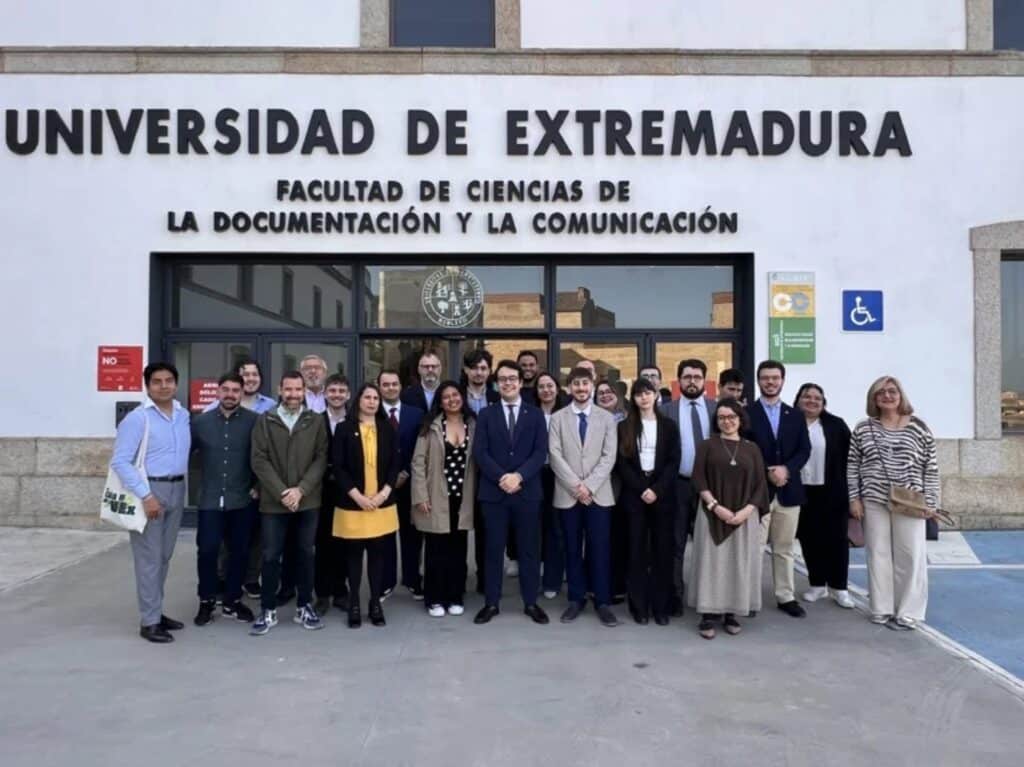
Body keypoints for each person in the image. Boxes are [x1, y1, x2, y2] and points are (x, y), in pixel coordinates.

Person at [848, 376, 939, 630]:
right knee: (877, 554)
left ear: (900, 395)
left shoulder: (918, 427)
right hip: (874, 499)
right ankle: (881, 607)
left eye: (892, 391)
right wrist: (854, 498)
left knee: (911, 555)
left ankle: (909, 611)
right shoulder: (863, 428)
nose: (887, 396)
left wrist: (932, 501)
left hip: (910, 501)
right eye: (881, 393)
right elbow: (853, 466)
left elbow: (931, 467)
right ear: (873, 398)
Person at [110, 362, 191, 643]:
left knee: (164, 556)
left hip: (177, 489)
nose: (164, 386)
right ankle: (149, 622)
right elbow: (120, 461)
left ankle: (156, 610)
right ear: (147, 386)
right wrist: (146, 496)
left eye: (169, 380)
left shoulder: (183, 415)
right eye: (157, 381)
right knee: (149, 560)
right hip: (150, 491)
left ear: (176, 384)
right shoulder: (138, 419)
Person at [249, 371, 328, 635]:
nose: (293, 395)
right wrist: (283, 492)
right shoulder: (265, 420)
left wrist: (301, 490)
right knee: (271, 555)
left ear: (304, 391)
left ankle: (304, 606)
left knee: (305, 553)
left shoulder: (315, 420)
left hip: (307, 501)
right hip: (274, 502)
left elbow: (321, 458)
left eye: (298, 389)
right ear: (279, 390)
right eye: (288, 389)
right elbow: (259, 459)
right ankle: (267, 609)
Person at [472, 360, 550, 625]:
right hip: (494, 494)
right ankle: (491, 603)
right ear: (496, 384)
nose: (508, 383)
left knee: (529, 550)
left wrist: (519, 476)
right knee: (493, 550)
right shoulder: (486, 415)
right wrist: (502, 477)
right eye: (503, 379)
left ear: (520, 382)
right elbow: (480, 452)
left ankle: (531, 603)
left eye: (512, 378)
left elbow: (540, 452)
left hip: (527, 493)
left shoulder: (535, 415)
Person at [691, 399, 770, 639]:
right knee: (711, 564)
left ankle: (732, 613)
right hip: (711, 513)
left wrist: (746, 512)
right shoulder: (707, 445)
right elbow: (698, 478)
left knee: (738, 564)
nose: (727, 421)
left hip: (744, 516)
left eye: (731, 417)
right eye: (722, 417)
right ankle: (707, 614)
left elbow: (760, 484)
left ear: (740, 419)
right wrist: (715, 506)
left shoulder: (752, 448)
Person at [548, 367, 620, 626]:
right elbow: (554, 455)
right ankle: (576, 599)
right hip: (568, 495)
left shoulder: (606, 418)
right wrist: (576, 487)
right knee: (571, 548)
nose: (581, 388)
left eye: (585, 383)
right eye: (576, 384)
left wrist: (588, 487)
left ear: (592, 386)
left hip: (598, 495)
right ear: (569, 388)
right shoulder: (558, 418)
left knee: (600, 548)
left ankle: (602, 601)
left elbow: (609, 456)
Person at [745, 360, 812, 619]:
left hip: (789, 491)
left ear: (782, 380)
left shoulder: (795, 415)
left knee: (784, 548)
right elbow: (744, 449)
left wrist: (786, 469)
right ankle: (749, 597)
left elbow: (804, 450)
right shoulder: (747, 413)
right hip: (757, 492)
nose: (770, 382)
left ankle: (785, 596)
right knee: (754, 548)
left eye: (775, 378)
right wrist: (767, 471)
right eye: (765, 378)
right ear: (758, 380)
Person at [190, 373, 258, 626]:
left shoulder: (254, 421)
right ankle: (207, 601)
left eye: (235, 390)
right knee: (207, 551)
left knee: (239, 552)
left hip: (241, 498)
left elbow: (262, 456)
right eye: (226, 390)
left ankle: (232, 601)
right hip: (210, 499)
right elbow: (186, 456)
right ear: (218, 392)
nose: (230, 395)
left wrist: (258, 486)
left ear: (242, 393)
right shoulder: (200, 422)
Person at [332, 383, 402, 628]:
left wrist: (384, 494)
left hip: (381, 503)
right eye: (367, 397)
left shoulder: (387, 428)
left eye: (376, 398)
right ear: (358, 401)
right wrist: (358, 497)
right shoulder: (344, 428)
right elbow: (338, 467)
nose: (372, 401)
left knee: (377, 555)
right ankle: (354, 602)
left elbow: (395, 464)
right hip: (353, 504)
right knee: (353, 557)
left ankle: (375, 603)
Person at [615, 377, 680, 626]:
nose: (644, 397)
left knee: (663, 551)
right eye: (639, 394)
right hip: (635, 493)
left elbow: (674, 461)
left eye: (648, 392)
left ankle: (661, 607)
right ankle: (639, 606)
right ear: (633, 398)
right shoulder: (624, 427)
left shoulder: (669, 426)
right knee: (637, 551)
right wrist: (642, 488)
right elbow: (622, 463)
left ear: (656, 395)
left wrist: (657, 489)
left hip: (662, 493)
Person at [411, 381, 477, 617]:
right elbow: (418, 463)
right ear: (440, 402)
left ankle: (455, 596)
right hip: (436, 496)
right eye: (446, 397)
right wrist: (421, 495)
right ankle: (434, 598)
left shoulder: (474, 424)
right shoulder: (430, 426)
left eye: (455, 395)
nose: (452, 400)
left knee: (458, 550)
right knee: (436, 550)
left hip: (464, 497)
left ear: (462, 397)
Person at [661, 358, 716, 618]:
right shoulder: (666, 411)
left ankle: (710, 597)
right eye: (687, 377)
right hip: (678, 485)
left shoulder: (717, 409)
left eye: (696, 377)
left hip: (711, 488)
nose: (692, 381)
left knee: (711, 544)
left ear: (704, 380)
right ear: (678, 381)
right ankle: (675, 596)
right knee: (676, 543)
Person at [794, 383, 855, 609]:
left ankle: (840, 587)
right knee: (809, 539)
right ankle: (817, 584)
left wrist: (853, 493)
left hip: (832, 491)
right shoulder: (791, 423)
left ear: (823, 403)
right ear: (798, 400)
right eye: (806, 396)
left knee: (837, 539)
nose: (811, 401)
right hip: (802, 491)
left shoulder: (836, 425)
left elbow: (851, 459)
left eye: (817, 398)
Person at [378, 370, 426, 600]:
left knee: (412, 534)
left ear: (400, 386)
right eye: (386, 384)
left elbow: (421, 447)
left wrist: (405, 471)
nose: (390, 388)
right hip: (381, 486)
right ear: (379, 387)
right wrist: (388, 478)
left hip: (409, 482)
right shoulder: (371, 412)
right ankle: (386, 581)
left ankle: (412, 579)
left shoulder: (416, 414)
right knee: (385, 534)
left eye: (394, 384)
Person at [313, 373, 351, 616]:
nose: (337, 395)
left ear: (348, 395)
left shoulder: (355, 421)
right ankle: (322, 594)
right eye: (332, 391)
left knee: (344, 543)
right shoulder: (314, 421)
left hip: (348, 491)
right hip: (321, 490)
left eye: (341, 391)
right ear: (325, 394)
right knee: (322, 543)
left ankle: (341, 592)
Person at [535, 371, 568, 599]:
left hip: (559, 475)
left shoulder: (566, 413)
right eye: (541, 386)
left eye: (550, 386)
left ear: (557, 389)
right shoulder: (530, 413)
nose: (546, 390)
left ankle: (552, 580)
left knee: (556, 528)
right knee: (534, 528)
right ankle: (533, 576)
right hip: (535, 475)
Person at [462, 348, 500, 415]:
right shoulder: (458, 396)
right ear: (466, 370)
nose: (479, 373)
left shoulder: (498, 398)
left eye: (483, 368)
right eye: (474, 368)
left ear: (489, 371)